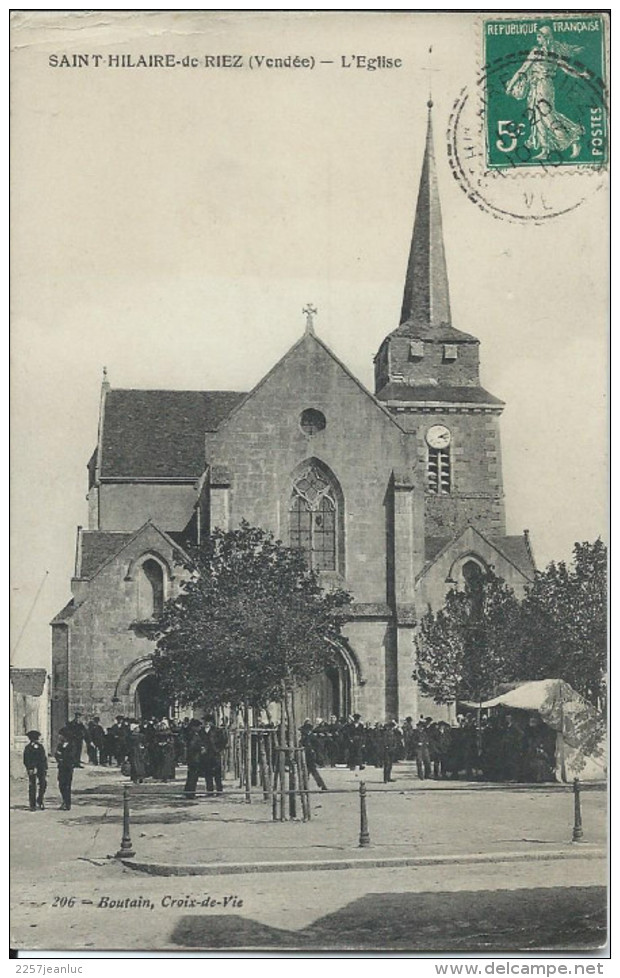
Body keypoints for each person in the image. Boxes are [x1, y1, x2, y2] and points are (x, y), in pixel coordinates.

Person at [505, 26, 587, 161]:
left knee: (547, 116)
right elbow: (566, 68)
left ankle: (572, 138)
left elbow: (523, 70)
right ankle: (545, 149)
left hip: (542, 86)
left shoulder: (538, 52)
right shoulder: (551, 52)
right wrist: (580, 75)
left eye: (539, 36)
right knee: (538, 117)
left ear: (546, 37)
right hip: (538, 86)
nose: (537, 39)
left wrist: (510, 87)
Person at [23, 730, 47, 811]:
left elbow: (43, 758)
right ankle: (32, 804)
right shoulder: (28, 748)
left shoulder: (40, 747)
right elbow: (26, 759)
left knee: (43, 784)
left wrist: (45, 768)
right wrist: (30, 768)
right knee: (32, 786)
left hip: (41, 768)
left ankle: (40, 800)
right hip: (32, 769)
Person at [300, 720, 327, 791]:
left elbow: (318, 746)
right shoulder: (306, 737)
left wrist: (312, 750)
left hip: (311, 756)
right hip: (306, 756)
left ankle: (321, 785)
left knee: (311, 772)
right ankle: (306, 787)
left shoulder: (312, 737)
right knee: (308, 772)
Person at [55, 728, 75, 810]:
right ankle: (64, 800)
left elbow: (71, 756)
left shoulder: (72, 745)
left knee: (67, 785)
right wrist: (59, 758)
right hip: (61, 767)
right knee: (61, 784)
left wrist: (62, 757)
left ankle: (67, 803)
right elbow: (56, 754)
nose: (59, 737)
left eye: (61, 735)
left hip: (68, 767)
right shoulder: (60, 745)